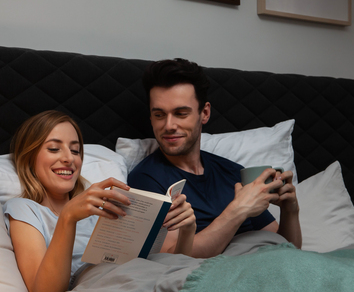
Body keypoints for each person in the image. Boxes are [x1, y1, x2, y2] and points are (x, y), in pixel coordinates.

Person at [4, 110, 196, 292]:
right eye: (54, 149)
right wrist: (68, 217)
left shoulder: (100, 208)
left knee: (196, 280)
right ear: (29, 158)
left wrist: (187, 230)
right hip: (98, 289)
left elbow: (173, 269)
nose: (69, 159)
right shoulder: (24, 209)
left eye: (75, 151)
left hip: (136, 278)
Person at [128, 59, 302, 258]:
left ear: (205, 113)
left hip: (265, 268)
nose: (169, 125)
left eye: (181, 113)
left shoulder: (233, 172)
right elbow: (171, 258)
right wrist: (238, 210)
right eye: (159, 115)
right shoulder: (145, 180)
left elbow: (288, 251)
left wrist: (290, 211)